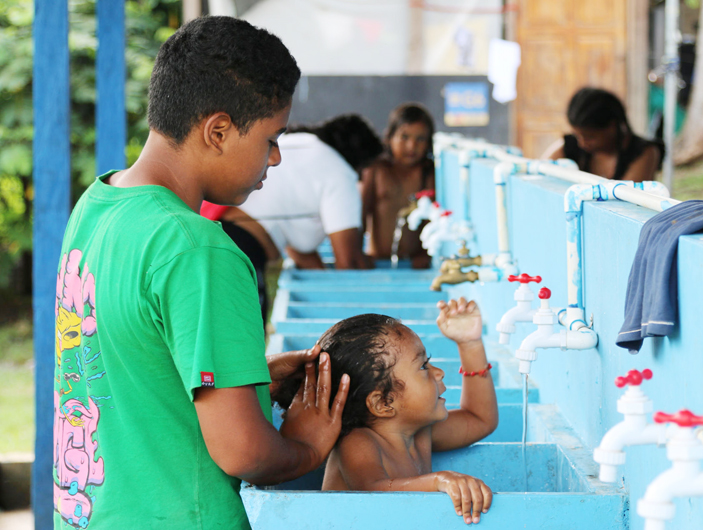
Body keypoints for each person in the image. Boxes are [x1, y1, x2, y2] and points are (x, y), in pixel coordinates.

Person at [53, 17, 349, 529]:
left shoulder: (97, 207)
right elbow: (245, 452)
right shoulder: (199, 249)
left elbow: (131, 364)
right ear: (217, 130)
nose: (276, 158)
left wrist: (250, 380)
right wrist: (307, 447)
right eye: (272, 137)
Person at [276, 298, 498, 525]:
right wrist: (439, 480)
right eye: (423, 366)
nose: (439, 372)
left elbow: (480, 419)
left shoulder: (420, 431)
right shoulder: (358, 441)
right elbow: (372, 490)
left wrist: (470, 345)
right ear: (383, 403)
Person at [221, 114, 383, 270]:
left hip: (220, 235)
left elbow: (296, 244)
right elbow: (349, 263)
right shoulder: (342, 173)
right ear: (362, 164)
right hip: (244, 248)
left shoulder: (300, 142)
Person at [361, 103, 436, 268]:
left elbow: (432, 221)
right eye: (404, 137)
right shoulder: (376, 170)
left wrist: (425, 254)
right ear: (389, 137)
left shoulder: (428, 174)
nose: (411, 146)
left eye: (420, 139)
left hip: (414, 264)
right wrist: (358, 254)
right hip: (378, 262)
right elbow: (361, 214)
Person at [543, 87, 664, 182]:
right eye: (577, 135)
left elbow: (624, 202)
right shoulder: (571, 145)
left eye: (590, 137)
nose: (581, 142)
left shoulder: (644, 152)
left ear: (611, 127)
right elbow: (540, 171)